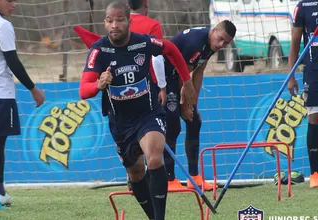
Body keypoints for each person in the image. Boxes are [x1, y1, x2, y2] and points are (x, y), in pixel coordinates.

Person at [79, 2, 195, 219]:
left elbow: (171, 49)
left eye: (120, 20)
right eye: (110, 20)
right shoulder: (98, 51)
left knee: (153, 157)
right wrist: (98, 84)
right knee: (136, 173)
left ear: (128, 22)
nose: (115, 25)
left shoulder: (143, 42)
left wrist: (186, 81)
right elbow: (84, 91)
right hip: (121, 124)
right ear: (105, 23)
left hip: (148, 114)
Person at [163, 21, 236, 190]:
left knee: (195, 121)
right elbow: (183, 75)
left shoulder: (210, 45)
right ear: (214, 30)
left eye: (226, 43)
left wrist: (193, 104)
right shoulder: (195, 43)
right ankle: (168, 180)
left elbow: (199, 71)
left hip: (179, 78)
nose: (221, 44)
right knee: (172, 126)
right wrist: (184, 106)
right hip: (165, 79)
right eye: (220, 39)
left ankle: (194, 177)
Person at [0, 0, 45, 209]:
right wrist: (33, 89)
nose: (13, 4)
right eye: (9, 0)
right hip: (1, 95)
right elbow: (13, 61)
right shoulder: (3, 26)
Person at [288, 0, 318, 188]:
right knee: (314, 118)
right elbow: (295, 44)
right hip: (314, 71)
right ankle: (315, 173)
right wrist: (291, 76)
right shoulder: (303, 6)